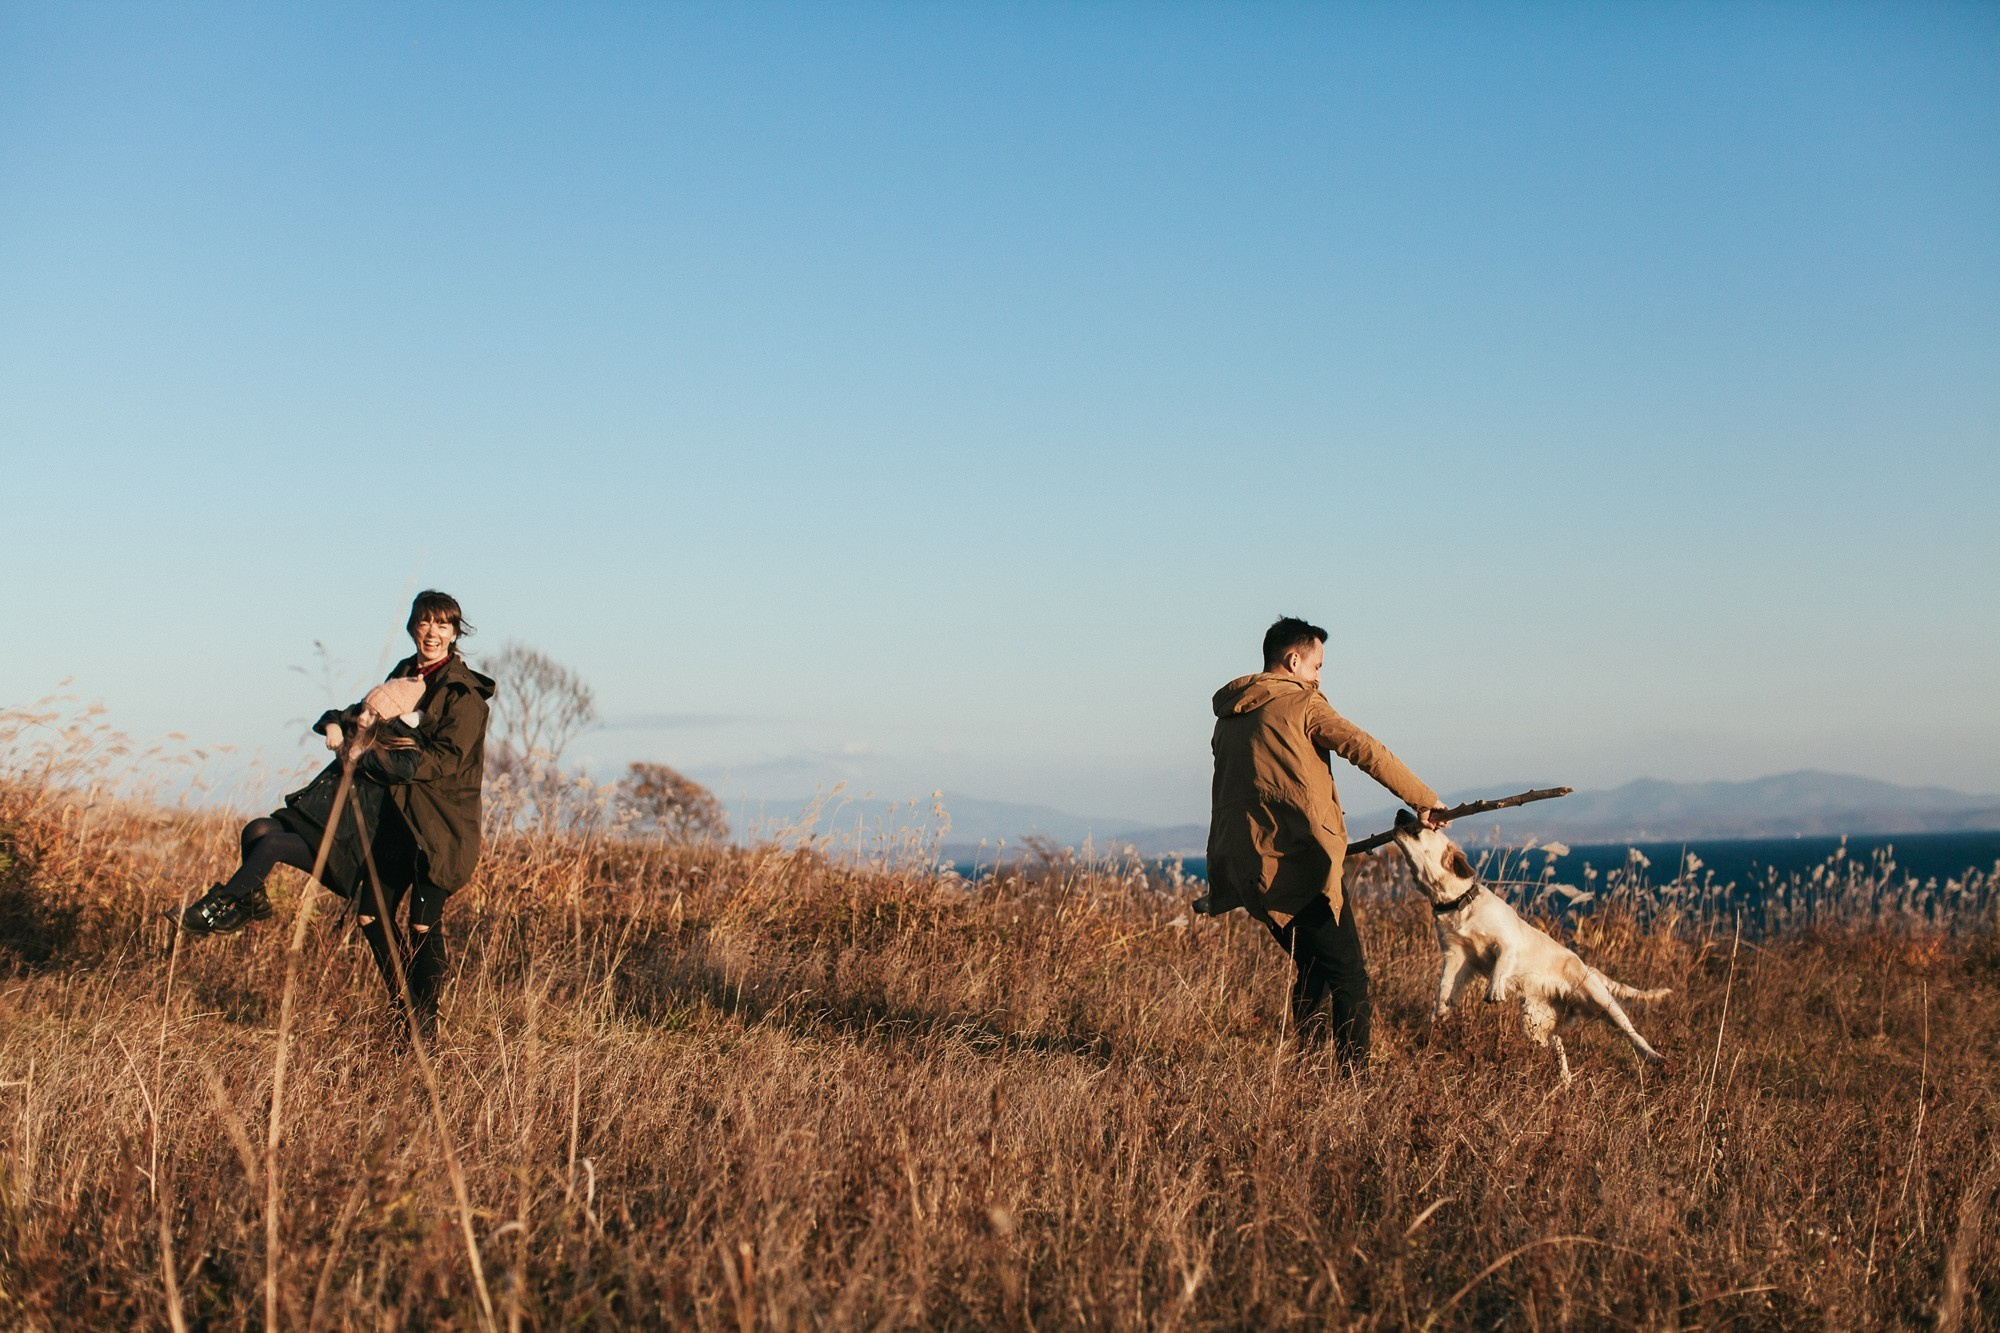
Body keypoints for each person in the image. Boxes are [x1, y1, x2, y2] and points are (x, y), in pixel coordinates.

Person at [171, 591, 495, 1038]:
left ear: (456, 633)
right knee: (371, 916)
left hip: (438, 829)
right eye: (424, 624)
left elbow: (447, 762)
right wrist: (335, 722)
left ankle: (426, 1028)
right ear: (413, 629)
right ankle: (404, 1010)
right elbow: (369, 711)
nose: (432, 633)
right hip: (392, 821)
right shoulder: (403, 675)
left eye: (442, 625)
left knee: (422, 924)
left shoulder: (465, 695)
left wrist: (382, 758)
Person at [1201, 615, 1446, 1070]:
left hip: (1249, 866)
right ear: (1293, 661)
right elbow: (1363, 748)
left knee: (1313, 970)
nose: (1318, 677)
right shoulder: (1302, 705)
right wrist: (1423, 800)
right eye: (1317, 666)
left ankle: (1305, 1077)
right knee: (1348, 976)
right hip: (1301, 864)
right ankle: (1354, 1089)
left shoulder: (1229, 719)